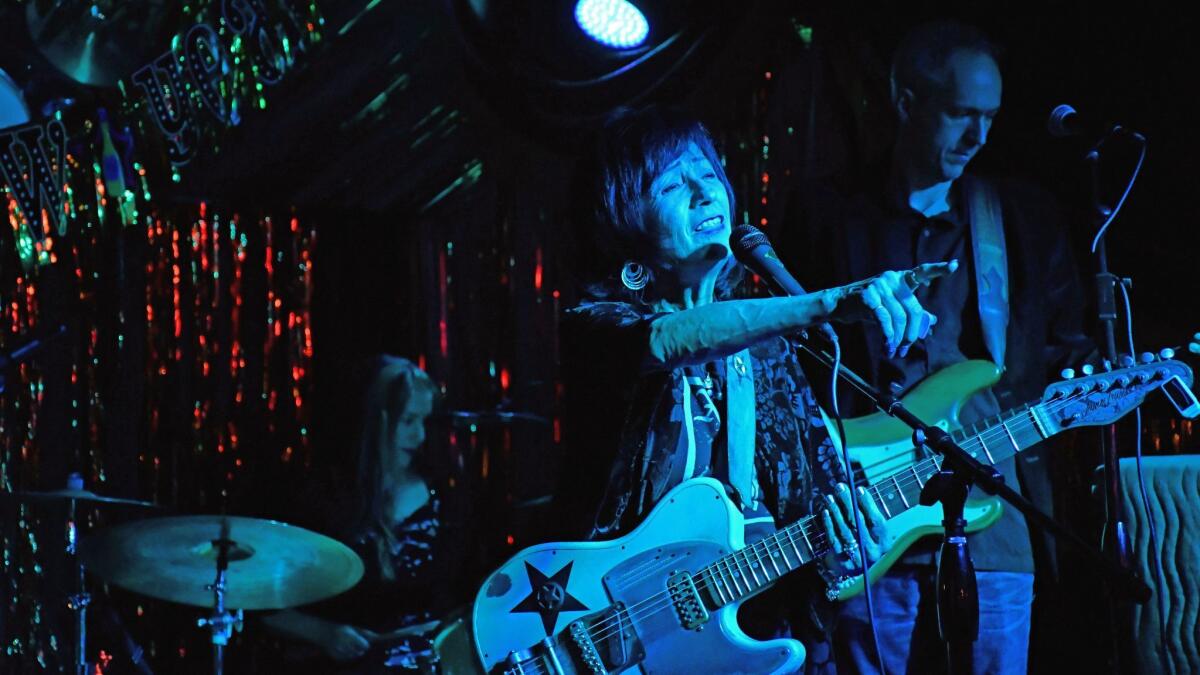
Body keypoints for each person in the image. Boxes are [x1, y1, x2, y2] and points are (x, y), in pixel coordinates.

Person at [555, 104, 954, 672]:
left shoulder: (768, 352)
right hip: (611, 636)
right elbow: (669, 340)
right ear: (624, 225)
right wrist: (827, 303)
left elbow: (816, 511)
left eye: (707, 173)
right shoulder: (595, 327)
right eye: (672, 183)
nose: (704, 192)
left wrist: (848, 548)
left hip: (749, 643)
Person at [778, 19, 1093, 675]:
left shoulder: (1023, 220)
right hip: (867, 529)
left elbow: (1067, 353)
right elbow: (790, 378)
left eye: (991, 117)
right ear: (904, 102)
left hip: (995, 530)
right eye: (960, 114)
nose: (979, 137)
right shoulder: (826, 216)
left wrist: (1086, 390)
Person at [262, 355, 449, 672]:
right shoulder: (325, 498)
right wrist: (324, 634)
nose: (420, 436)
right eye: (408, 421)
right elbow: (261, 598)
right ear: (378, 421)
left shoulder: (443, 496)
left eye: (424, 421)